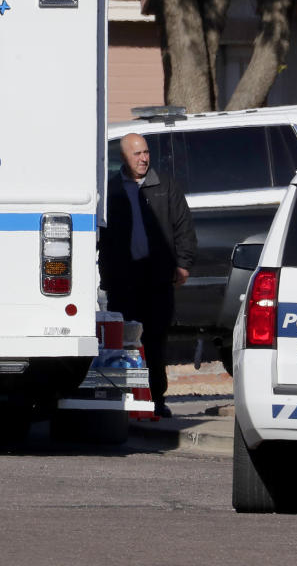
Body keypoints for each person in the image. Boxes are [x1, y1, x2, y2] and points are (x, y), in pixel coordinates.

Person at [99, 133, 197, 418]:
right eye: (136, 154)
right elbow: (102, 238)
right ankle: (124, 400)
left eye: (146, 153)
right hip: (123, 281)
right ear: (124, 158)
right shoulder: (113, 191)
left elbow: (184, 229)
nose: (143, 159)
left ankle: (157, 399)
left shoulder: (165, 186)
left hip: (156, 280)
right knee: (124, 344)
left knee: (155, 341)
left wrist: (183, 264)